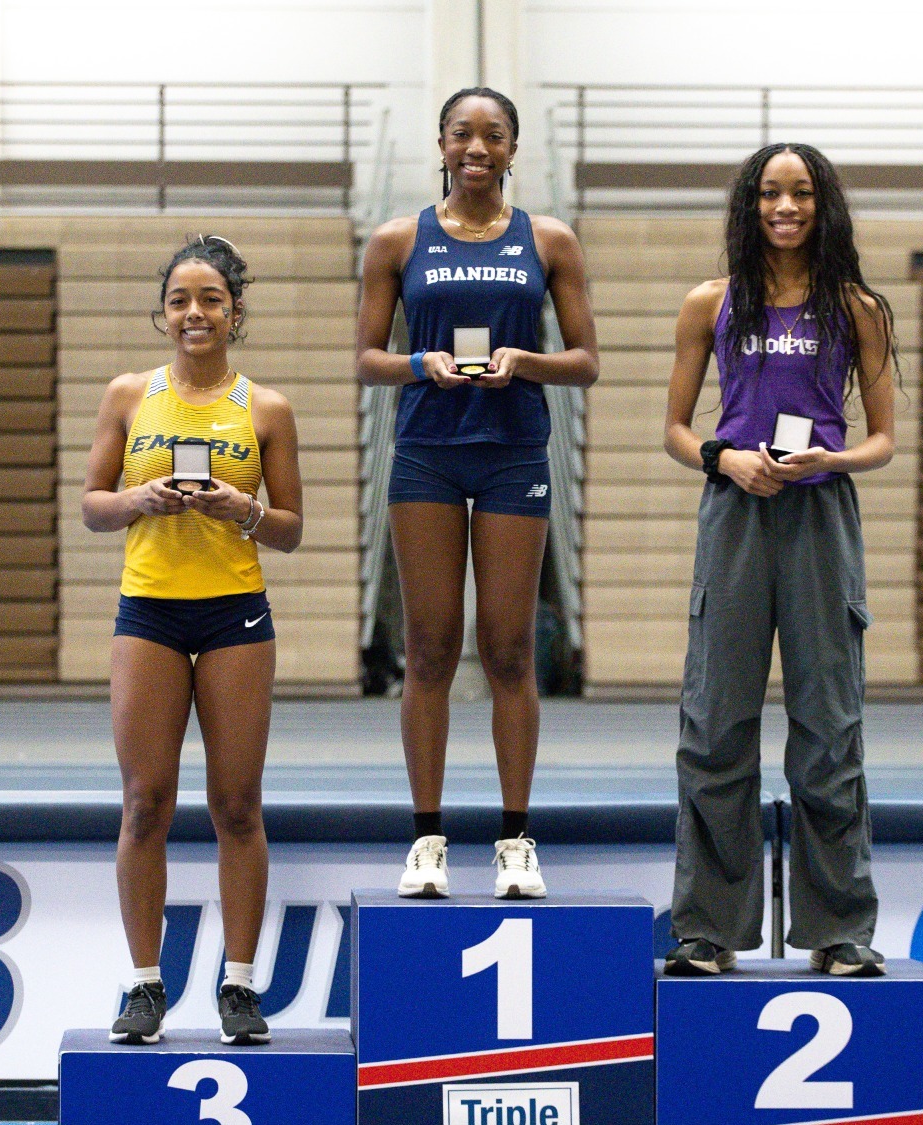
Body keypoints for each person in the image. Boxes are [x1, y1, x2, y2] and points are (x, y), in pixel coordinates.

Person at [659, 143, 899, 977]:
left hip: (820, 515)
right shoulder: (710, 303)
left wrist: (830, 461)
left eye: (800, 193)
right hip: (734, 512)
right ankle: (708, 928)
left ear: (822, 204)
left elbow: (884, 439)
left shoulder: (857, 308)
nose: (785, 207)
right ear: (750, 205)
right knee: (715, 724)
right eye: (770, 193)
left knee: (828, 728)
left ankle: (840, 926)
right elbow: (677, 430)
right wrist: (724, 457)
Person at [355, 87, 599, 900]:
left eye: (494, 134)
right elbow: (367, 357)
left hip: (511, 451)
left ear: (512, 149)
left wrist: (524, 361)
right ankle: (427, 839)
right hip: (427, 450)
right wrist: (417, 362)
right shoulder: (398, 240)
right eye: (464, 133)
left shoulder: (548, 239)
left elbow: (585, 359)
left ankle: (514, 839)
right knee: (427, 647)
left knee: (507, 649)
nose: (477, 147)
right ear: (442, 142)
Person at [82, 236, 304, 1043]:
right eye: (181, 298)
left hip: (235, 616)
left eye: (211, 299)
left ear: (234, 313)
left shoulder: (265, 408)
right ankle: (145, 984)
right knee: (145, 802)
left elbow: (289, 528)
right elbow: (91, 505)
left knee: (236, 804)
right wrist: (140, 497)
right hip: (150, 614)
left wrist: (236, 509)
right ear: (163, 312)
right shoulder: (127, 395)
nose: (195, 312)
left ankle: (239, 986)